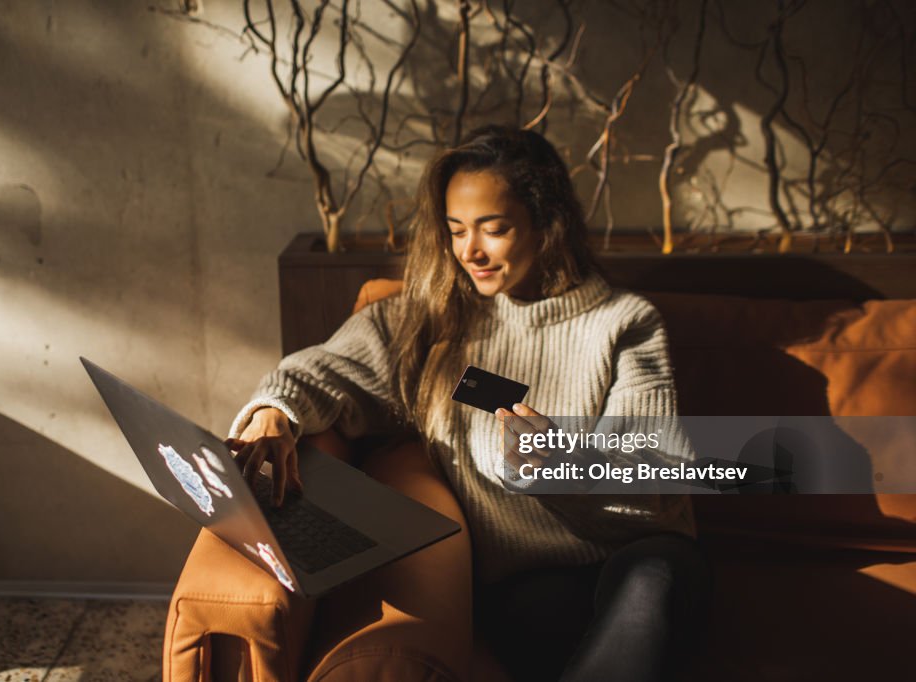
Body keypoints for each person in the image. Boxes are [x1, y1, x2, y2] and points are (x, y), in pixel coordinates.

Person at [226, 124, 713, 681]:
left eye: (494, 229)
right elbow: (326, 368)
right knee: (542, 617)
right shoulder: (435, 323)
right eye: (456, 231)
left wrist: (565, 468)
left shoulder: (624, 323)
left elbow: (661, 486)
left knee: (653, 581)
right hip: (530, 583)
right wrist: (275, 411)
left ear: (546, 225)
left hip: (642, 557)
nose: (470, 251)